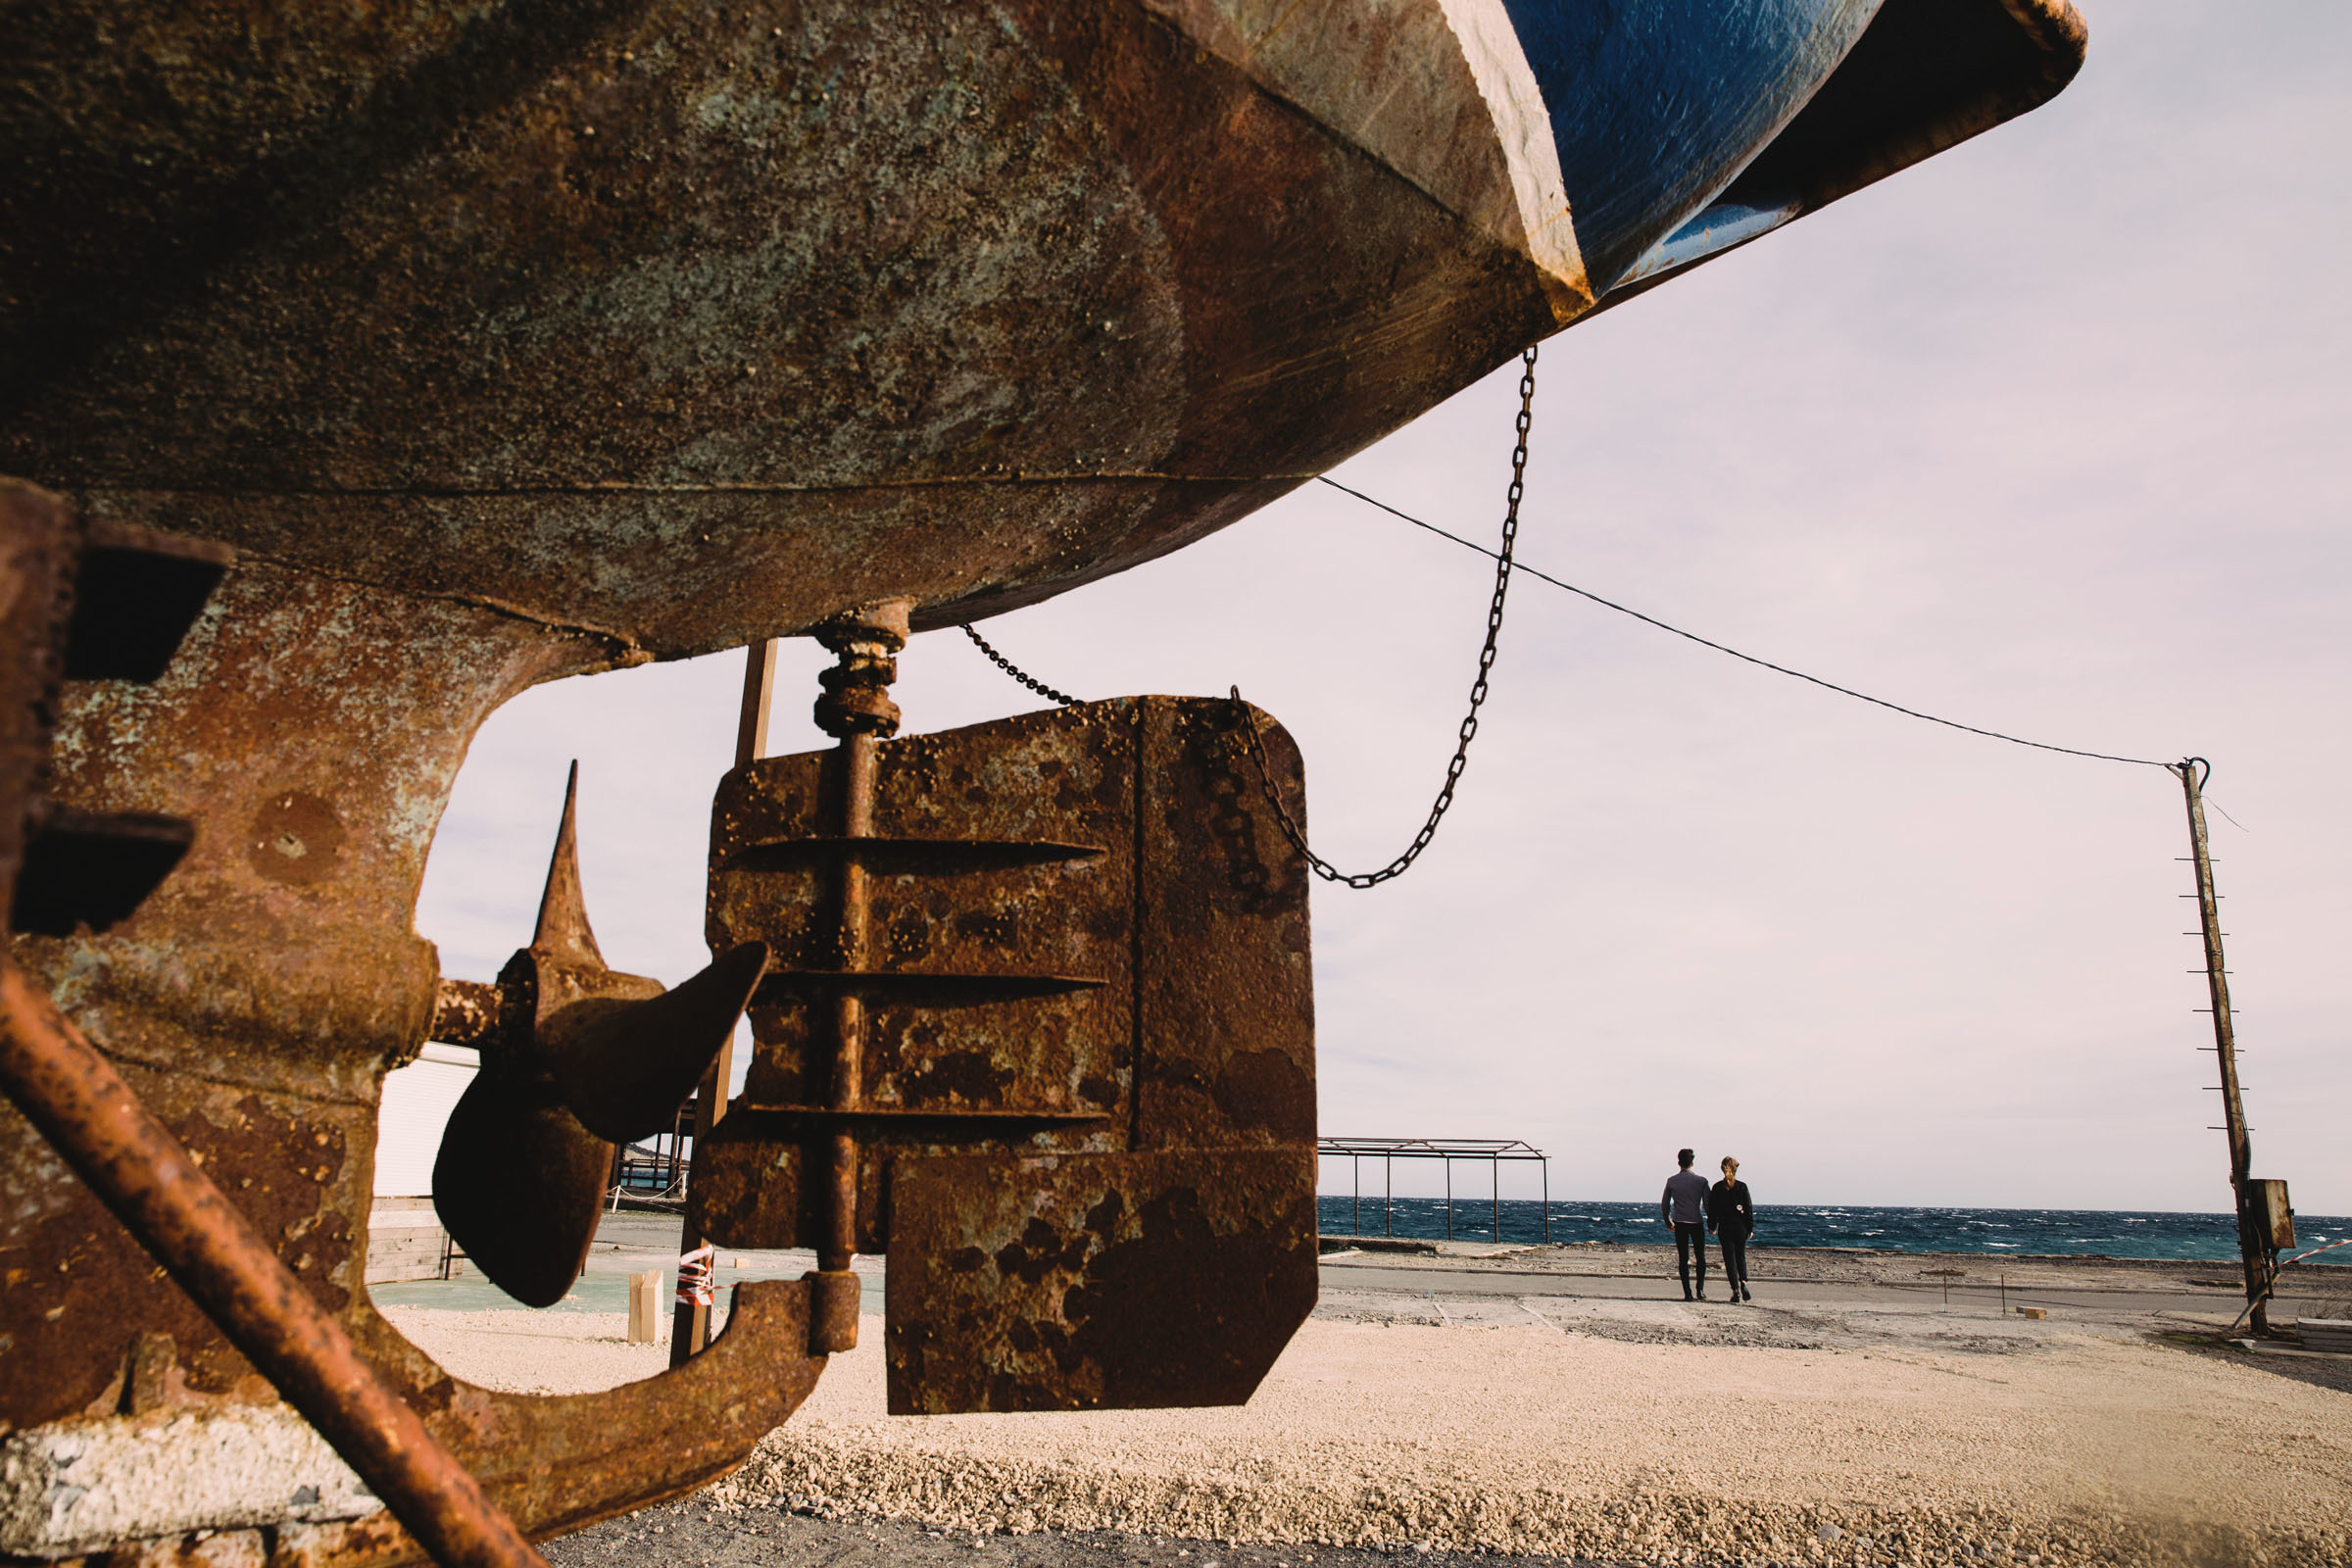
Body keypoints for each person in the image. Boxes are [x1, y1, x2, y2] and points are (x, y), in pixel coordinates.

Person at [1659, 1149, 1711, 1300]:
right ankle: (1700, 1289)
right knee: (1700, 1256)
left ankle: (1687, 1292)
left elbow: (1665, 1204)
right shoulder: (1701, 1181)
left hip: (1680, 1222)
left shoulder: (1672, 1181)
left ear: (1679, 1163)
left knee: (1683, 1257)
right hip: (1696, 1221)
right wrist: (1712, 1223)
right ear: (1692, 1163)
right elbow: (1708, 1204)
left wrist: (1668, 1220)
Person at [1707, 1156, 1755, 1303]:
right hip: (1740, 1226)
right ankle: (1744, 1282)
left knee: (1729, 1259)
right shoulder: (1742, 1187)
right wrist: (1750, 1227)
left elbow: (1712, 1209)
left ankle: (1735, 1290)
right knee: (1741, 1256)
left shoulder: (1717, 1187)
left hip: (1725, 1226)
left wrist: (1712, 1226)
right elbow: (1748, 1209)